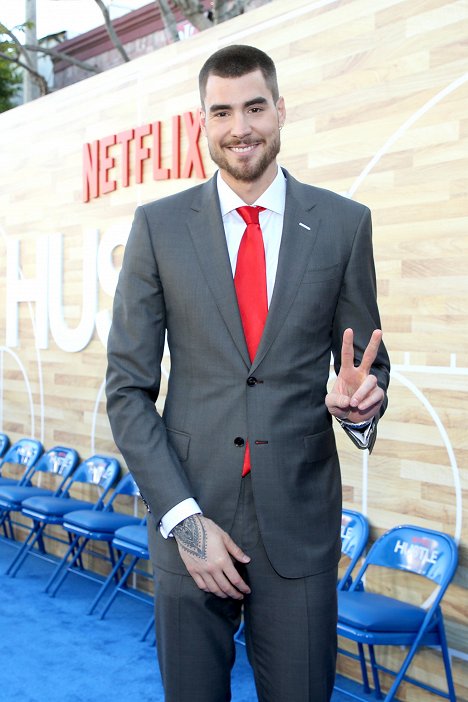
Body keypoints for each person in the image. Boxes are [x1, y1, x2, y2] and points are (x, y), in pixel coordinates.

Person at [106, 44, 390, 702]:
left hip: (299, 528)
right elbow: (126, 391)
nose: (242, 127)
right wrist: (184, 521)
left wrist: (362, 407)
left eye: (256, 107)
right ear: (202, 122)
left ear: (281, 111)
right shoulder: (158, 228)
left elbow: (367, 367)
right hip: (191, 513)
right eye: (223, 111)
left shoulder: (344, 226)